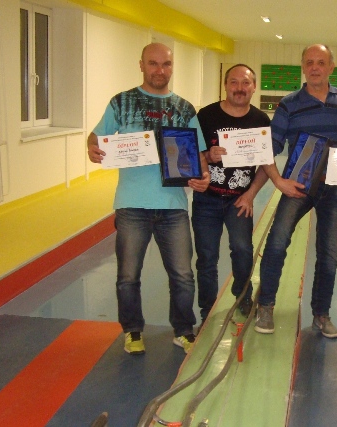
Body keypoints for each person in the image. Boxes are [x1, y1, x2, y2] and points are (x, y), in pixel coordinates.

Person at [87, 43, 210, 355]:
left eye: (166, 64)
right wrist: (92, 147)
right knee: (128, 276)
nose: (160, 70)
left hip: (173, 206)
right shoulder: (122, 102)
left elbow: (198, 154)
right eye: (153, 63)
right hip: (131, 205)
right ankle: (132, 332)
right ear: (141, 65)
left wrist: (204, 175)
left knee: (183, 276)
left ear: (172, 67)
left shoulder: (184, 109)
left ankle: (183, 331)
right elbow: (96, 136)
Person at [255, 44, 337, 338]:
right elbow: (269, 147)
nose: (315, 67)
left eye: (321, 62)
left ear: (331, 66)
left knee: (328, 254)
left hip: (336, 187)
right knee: (277, 243)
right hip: (298, 186)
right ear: (303, 67)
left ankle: (321, 314)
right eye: (309, 62)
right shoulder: (289, 104)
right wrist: (278, 181)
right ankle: (265, 306)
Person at [192, 64, 271, 323]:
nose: (239, 88)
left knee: (242, 250)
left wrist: (250, 195)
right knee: (207, 257)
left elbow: (266, 165)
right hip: (207, 200)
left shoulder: (261, 121)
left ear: (254, 87)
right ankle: (207, 309)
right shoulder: (206, 116)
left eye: (245, 82)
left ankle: (242, 296)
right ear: (225, 85)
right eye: (234, 82)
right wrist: (207, 155)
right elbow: (191, 154)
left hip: (240, 199)